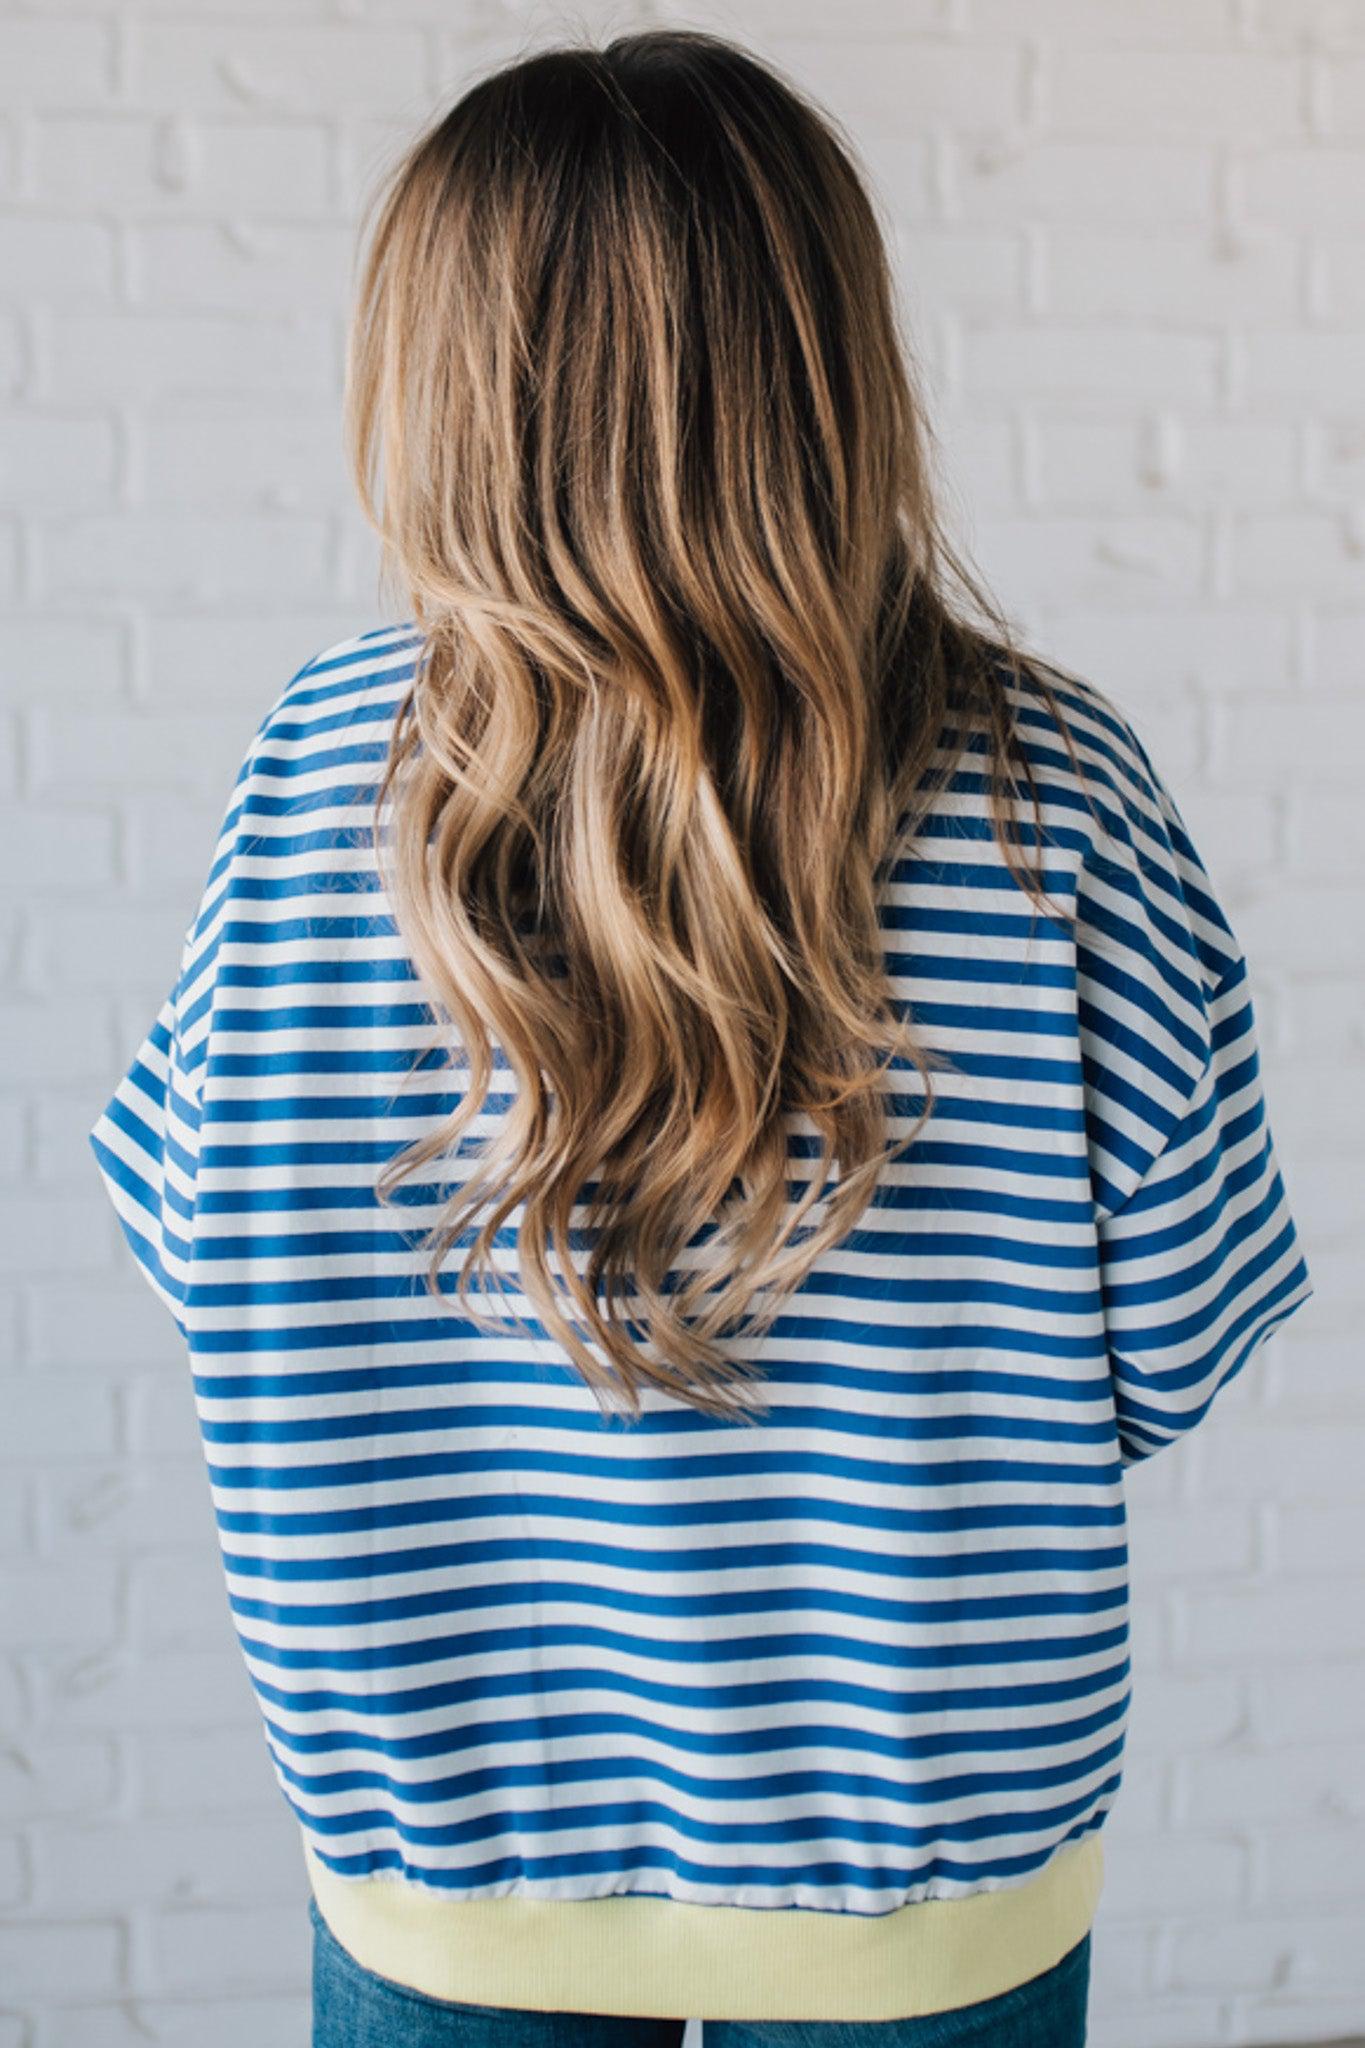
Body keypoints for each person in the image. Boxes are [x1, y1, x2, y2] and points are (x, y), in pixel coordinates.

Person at [89, 27, 1313, 2048]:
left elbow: (198, 1253)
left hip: (446, 1854)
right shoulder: (1047, 798)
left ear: (436, 390)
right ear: (829, 373)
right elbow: (1174, 1337)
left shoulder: (313, 776)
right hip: (926, 1865)